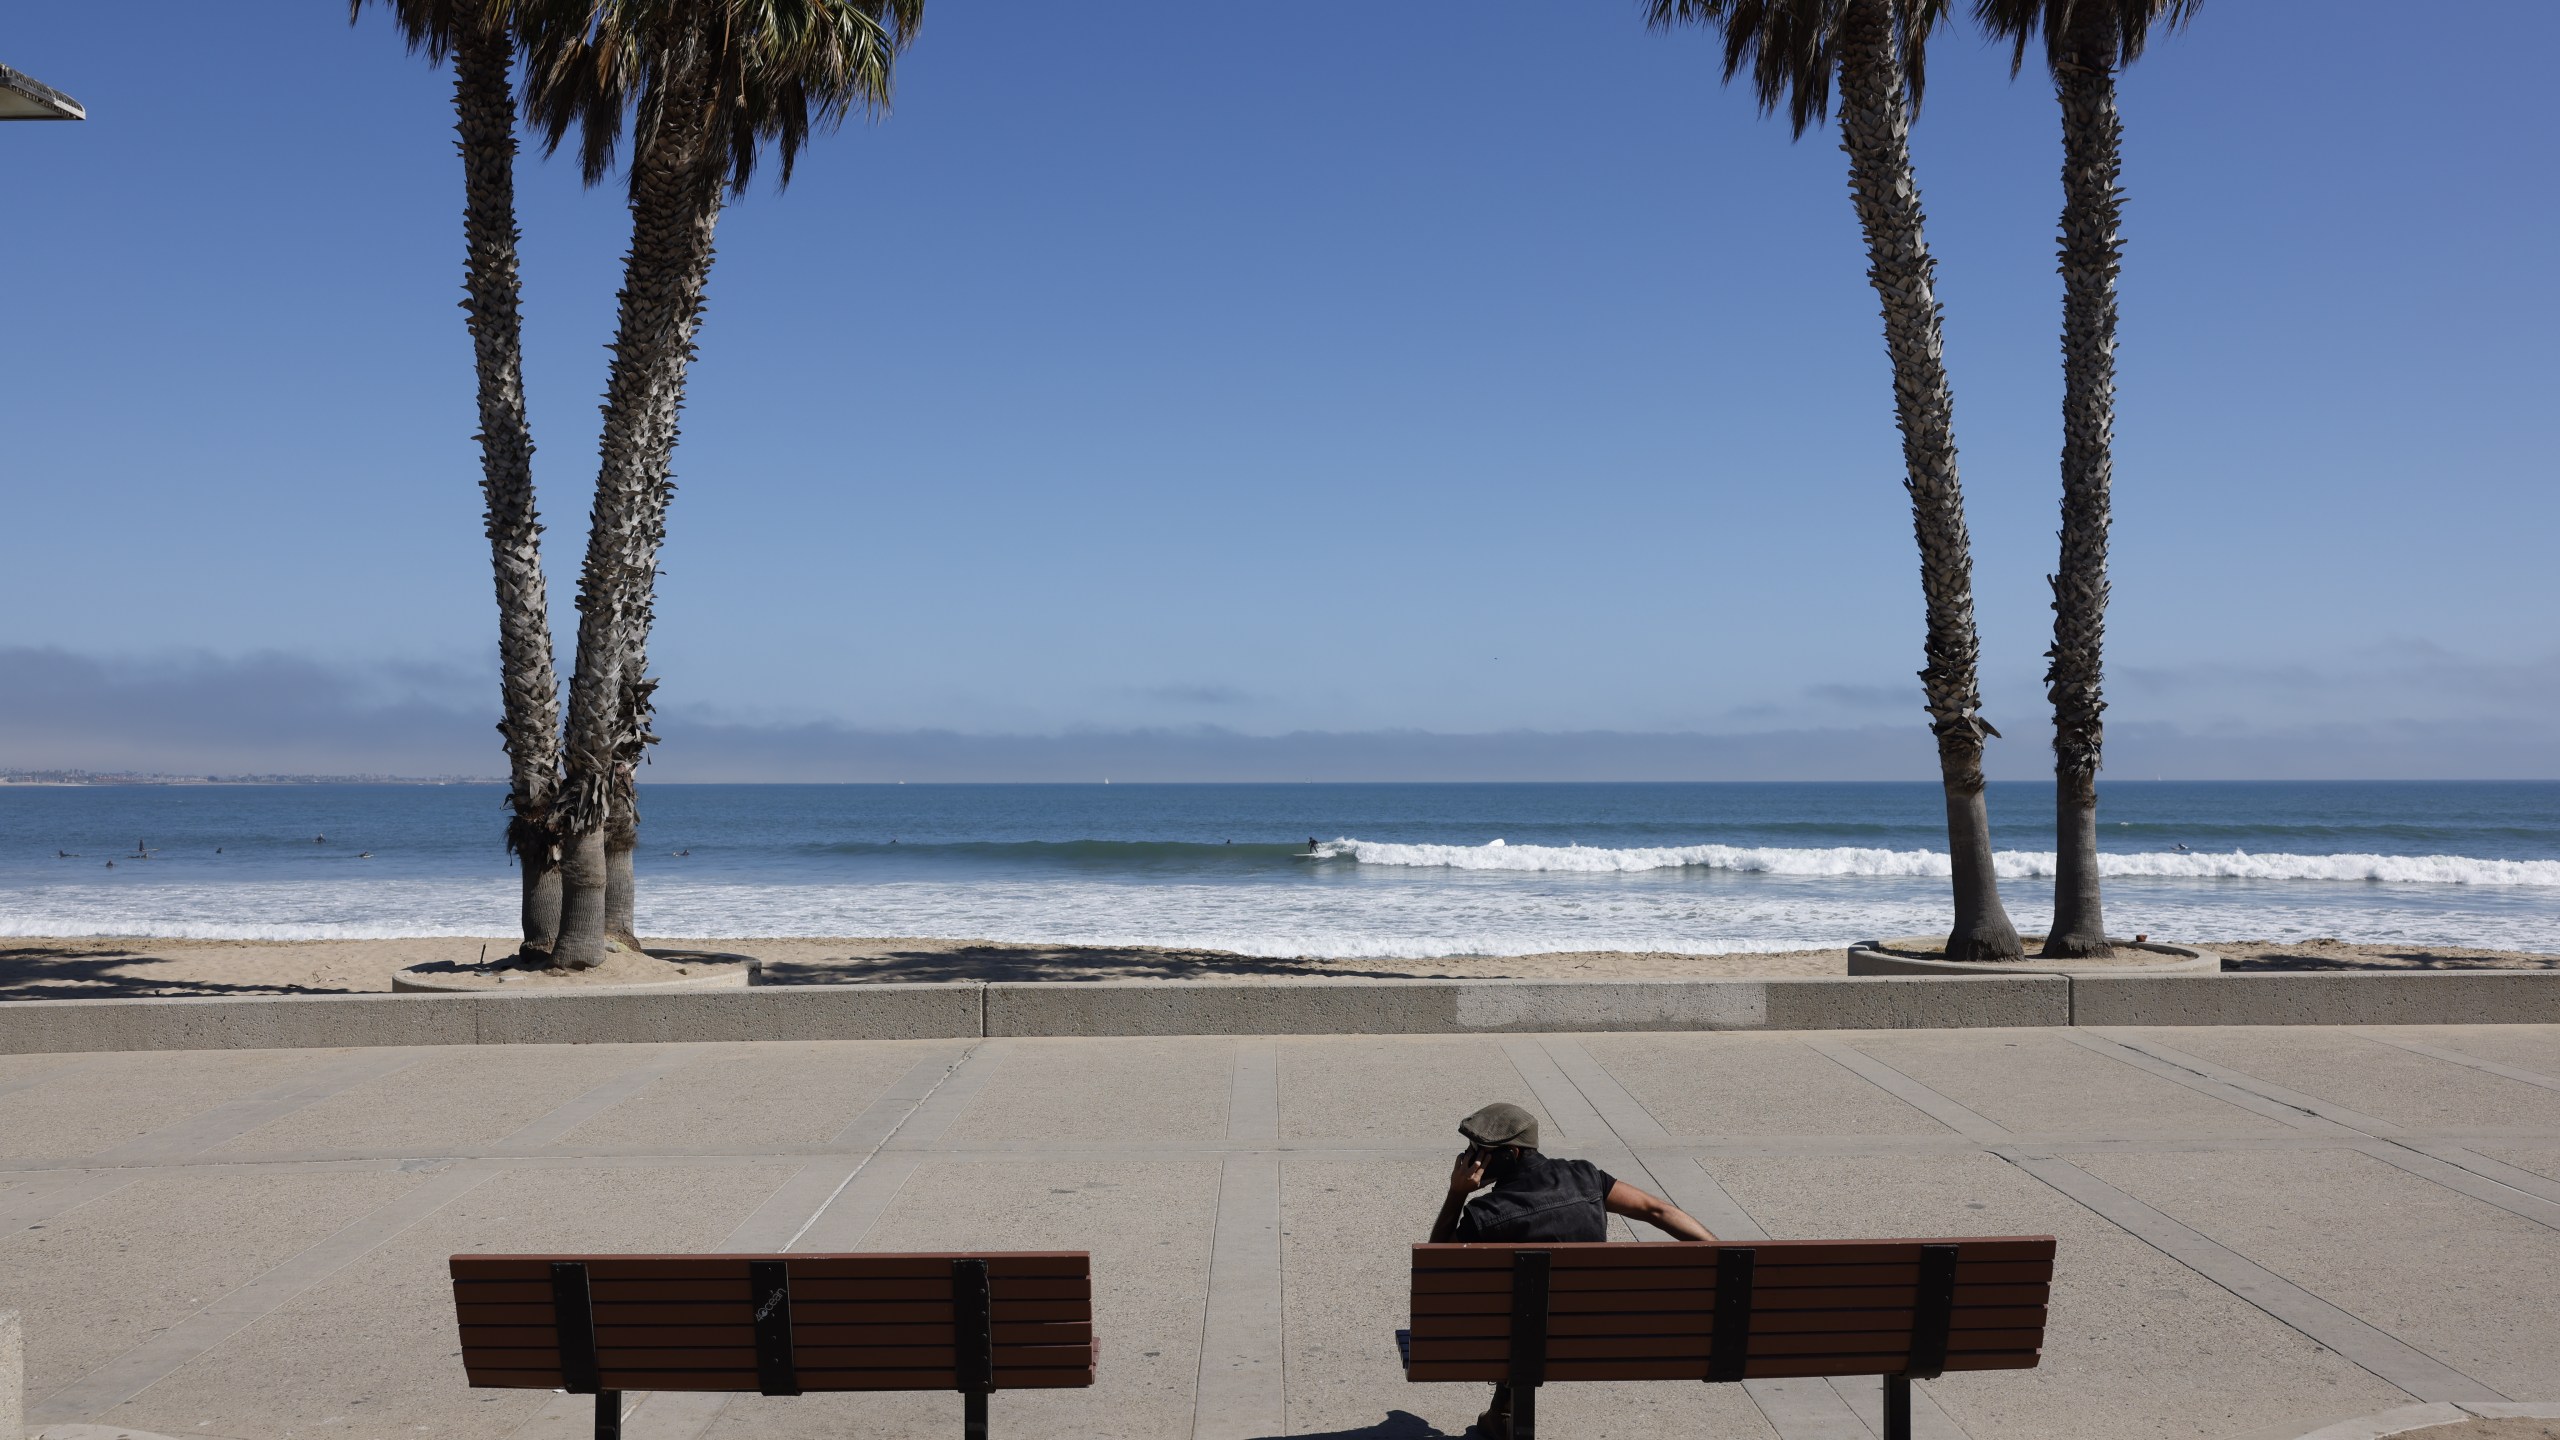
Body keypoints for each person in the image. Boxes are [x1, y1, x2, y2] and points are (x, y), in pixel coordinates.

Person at [1427, 1102, 1715, 1436]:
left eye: (1479, 1150)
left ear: (1511, 1155)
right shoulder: (1586, 1177)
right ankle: (1501, 1412)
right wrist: (1723, 1253)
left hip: (1515, 1340)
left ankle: (1504, 1411)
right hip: (1596, 1336)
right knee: (1527, 1310)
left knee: (1515, 1316)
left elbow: (1438, 1270)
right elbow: (1657, 1211)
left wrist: (1456, 1193)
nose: (1468, 1158)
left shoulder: (1486, 1213)